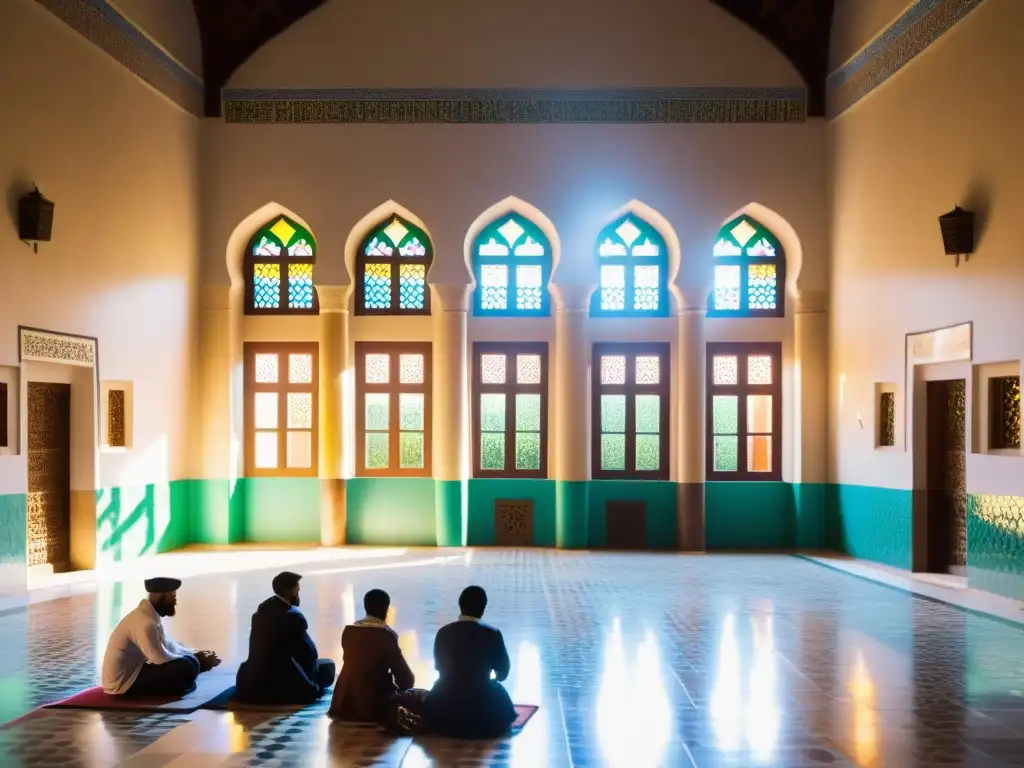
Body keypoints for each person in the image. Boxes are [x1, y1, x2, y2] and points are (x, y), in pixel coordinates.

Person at [102, 577, 221, 697]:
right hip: (123, 685)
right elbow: (160, 659)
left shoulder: (149, 616)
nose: (175, 600)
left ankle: (189, 674)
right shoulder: (145, 623)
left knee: (188, 658)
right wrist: (196, 660)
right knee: (186, 666)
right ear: (161, 596)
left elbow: (168, 645)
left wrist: (195, 652)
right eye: (173, 595)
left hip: (134, 673)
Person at [423, 586, 516, 739]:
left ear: (460, 605)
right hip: (482, 715)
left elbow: (439, 667)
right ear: (483, 608)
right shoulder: (492, 634)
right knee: (499, 695)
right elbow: (502, 673)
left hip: (444, 711)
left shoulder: (443, 633)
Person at [235, 571, 336, 704]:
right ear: (290, 591)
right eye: (297, 590)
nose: (298, 595)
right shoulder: (293, 617)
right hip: (285, 682)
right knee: (327, 666)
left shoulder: (259, 613)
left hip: (253, 682)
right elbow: (310, 653)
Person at [328, 589, 417, 723]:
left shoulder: (349, 631)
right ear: (386, 609)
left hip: (342, 704)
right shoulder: (386, 635)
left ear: (366, 607)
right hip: (373, 707)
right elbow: (406, 680)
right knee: (419, 696)